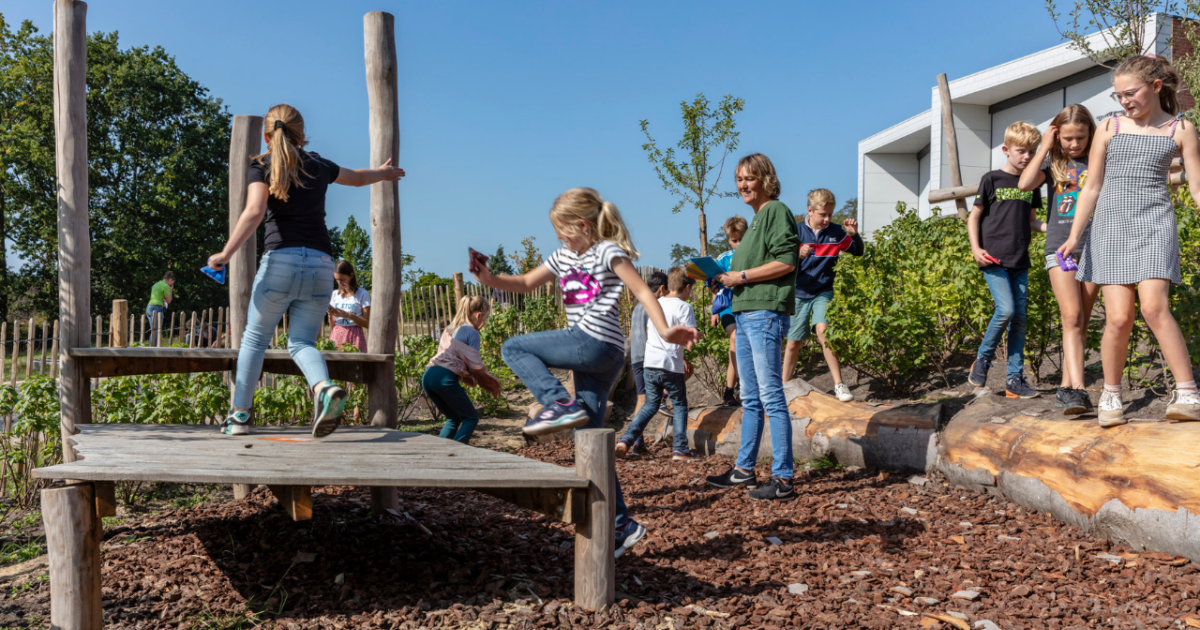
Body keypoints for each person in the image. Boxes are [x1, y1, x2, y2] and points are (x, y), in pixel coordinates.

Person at [469, 187, 700, 558]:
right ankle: (622, 523)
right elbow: (527, 282)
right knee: (589, 440)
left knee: (514, 347)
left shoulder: (607, 250)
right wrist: (490, 279)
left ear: (581, 225)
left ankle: (557, 402)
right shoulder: (562, 256)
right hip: (604, 358)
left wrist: (667, 329)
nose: (558, 237)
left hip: (592, 343)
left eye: (562, 229)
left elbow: (642, 291)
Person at [207, 104, 406, 437]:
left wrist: (225, 253)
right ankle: (323, 388)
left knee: (254, 340)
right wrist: (383, 173)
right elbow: (357, 178)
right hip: (320, 264)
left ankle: (239, 417)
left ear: (266, 136)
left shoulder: (260, 166)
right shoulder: (319, 164)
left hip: (280, 262)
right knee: (301, 342)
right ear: (302, 134)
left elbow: (255, 211)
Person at [1058, 55, 1200, 427]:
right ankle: (1111, 395)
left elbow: (1197, 186)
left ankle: (1187, 393)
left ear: (1155, 87)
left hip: (1154, 224)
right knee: (1119, 318)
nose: (1124, 101)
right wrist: (1075, 235)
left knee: (1154, 307)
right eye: (1119, 95)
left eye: (1130, 93)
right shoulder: (1108, 127)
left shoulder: (1180, 128)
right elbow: (1092, 186)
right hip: (1109, 227)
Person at [705, 153, 801, 502]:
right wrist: (726, 280)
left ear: (764, 179)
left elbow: (787, 261)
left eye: (749, 178)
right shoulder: (755, 220)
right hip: (744, 313)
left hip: (764, 312)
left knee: (771, 394)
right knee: (750, 397)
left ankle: (784, 478)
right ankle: (744, 469)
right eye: (739, 179)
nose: (743, 184)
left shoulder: (776, 211)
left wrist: (740, 276)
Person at [1018, 104, 1099, 415]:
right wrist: (1045, 147)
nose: (1074, 144)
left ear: (1091, 133)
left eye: (1080, 137)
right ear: (1057, 136)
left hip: (1096, 245)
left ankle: (1067, 388)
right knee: (1071, 316)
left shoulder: (1097, 159)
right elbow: (1025, 184)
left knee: (1082, 321)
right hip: (1060, 248)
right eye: (1067, 138)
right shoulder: (1053, 162)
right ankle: (1077, 390)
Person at [967, 121, 1046, 399]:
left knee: (1020, 318)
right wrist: (976, 248)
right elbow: (974, 216)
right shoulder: (992, 179)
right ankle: (983, 359)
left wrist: (1053, 228)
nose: (1026, 157)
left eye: (1032, 152)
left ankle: (1014, 379)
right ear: (1006, 150)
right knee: (1006, 310)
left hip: (1019, 259)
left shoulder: (1033, 182)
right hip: (993, 258)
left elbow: (1033, 222)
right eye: (1021, 151)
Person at [781, 189, 863, 401]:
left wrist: (853, 234)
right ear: (810, 210)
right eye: (822, 215)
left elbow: (857, 251)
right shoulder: (796, 232)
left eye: (830, 214)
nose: (827, 219)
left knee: (823, 331)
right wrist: (796, 253)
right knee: (793, 342)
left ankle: (839, 384)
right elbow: (780, 258)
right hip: (798, 293)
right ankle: (782, 388)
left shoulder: (836, 232)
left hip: (823, 291)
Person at [617, 267, 700, 462]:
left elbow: (648, 329)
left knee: (649, 405)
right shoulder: (684, 307)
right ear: (687, 288)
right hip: (670, 364)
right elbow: (691, 335)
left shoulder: (654, 303)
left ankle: (625, 440)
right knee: (679, 404)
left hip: (650, 363)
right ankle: (680, 449)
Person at [422, 296, 502, 444]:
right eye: (485, 318)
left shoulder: (449, 329)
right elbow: (475, 366)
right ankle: (458, 455)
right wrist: (491, 382)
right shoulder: (472, 332)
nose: (484, 322)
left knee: (453, 418)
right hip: (444, 378)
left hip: (428, 376)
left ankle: (439, 455)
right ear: (479, 315)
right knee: (470, 418)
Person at [626, 269, 668, 458]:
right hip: (648, 355)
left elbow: (630, 334)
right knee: (646, 398)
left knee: (641, 399)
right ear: (661, 289)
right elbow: (652, 330)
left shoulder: (637, 306)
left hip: (636, 356)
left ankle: (637, 442)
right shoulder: (652, 304)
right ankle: (634, 441)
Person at [710, 216, 746, 407]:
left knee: (740, 344)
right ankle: (734, 387)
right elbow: (714, 286)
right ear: (728, 239)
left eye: (741, 239)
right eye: (734, 240)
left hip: (748, 306)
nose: (738, 244)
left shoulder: (754, 256)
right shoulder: (723, 259)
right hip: (728, 308)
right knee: (735, 338)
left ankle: (732, 390)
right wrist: (714, 311)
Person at [328, 260, 371, 353]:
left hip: (354, 336)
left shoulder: (362, 294)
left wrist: (349, 315)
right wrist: (330, 315)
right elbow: (332, 325)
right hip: (336, 335)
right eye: (337, 280)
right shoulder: (335, 294)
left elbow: (369, 324)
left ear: (351, 276)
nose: (339, 283)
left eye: (342, 279)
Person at [147, 271, 174, 346]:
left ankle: (151, 346)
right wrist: (170, 290)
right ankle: (153, 348)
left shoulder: (156, 284)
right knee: (156, 330)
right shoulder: (166, 286)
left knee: (153, 329)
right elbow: (169, 300)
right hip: (157, 308)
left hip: (149, 306)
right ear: (170, 279)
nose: (172, 284)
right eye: (172, 282)